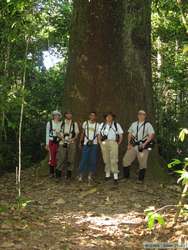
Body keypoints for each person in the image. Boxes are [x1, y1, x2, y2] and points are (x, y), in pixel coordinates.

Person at [122, 110, 155, 183]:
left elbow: (151, 135)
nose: (141, 115)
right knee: (126, 160)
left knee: (142, 162)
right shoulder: (134, 124)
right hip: (133, 145)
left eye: (143, 114)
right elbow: (130, 134)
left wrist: (145, 144)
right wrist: (129, 144)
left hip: (143, 146)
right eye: (139, 114)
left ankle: (140, 179)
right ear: (137, 115)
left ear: (145, 116)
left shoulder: (148, 124)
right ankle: (126, 177)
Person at [98, 112, 123, 184]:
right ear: (105, 117)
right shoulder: (102, 125)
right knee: (106, 159)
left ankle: (115, 176)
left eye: (110, 116)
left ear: (112, 118)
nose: (109, 118)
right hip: (104, 143)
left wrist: (118, 143)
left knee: (114, 159)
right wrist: (100, 142)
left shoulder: (116, 125)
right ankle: (107, 175)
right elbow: (99, 134)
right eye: (107, 116)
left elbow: (121, 135)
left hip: (113, 142)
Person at [55, 111, 79, 180]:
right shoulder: (61, 123)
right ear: (65, 115)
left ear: (71, 115)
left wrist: (72, 139)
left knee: (71, 159)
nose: (69, 115)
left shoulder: (74, 123)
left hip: (72, 143)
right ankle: (58, 175)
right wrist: (62, 138)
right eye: (67, 114)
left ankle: (68, 176)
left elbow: (77, 134)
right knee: (61, 158)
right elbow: (57, 132)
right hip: (62, 143)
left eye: (70, 114)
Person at [78, 112, 100, 184]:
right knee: (84, 159)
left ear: (95, 117)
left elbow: (98, 135)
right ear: (89, 116)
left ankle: (90, 176)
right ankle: (80, 175)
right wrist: (80, 142)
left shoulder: (98, 125)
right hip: (86, 144)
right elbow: (83, 133)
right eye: (91, 115)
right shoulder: (85, 123)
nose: (92, 116)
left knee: (93, 160)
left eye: (94, 115)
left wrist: (100, 143)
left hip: (94, 144)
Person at [46, 110, 62, 177]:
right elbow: (47, 133)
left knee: (57, 157)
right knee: (51, 157)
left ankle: (57, 172)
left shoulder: (61, 123)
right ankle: (51, 173)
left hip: (59, 142)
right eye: (55, 115)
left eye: (58, 115)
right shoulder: (49, 123)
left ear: (59, 116)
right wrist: (47, 144)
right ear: (53, 116)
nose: (56, 116)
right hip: (51, 141)